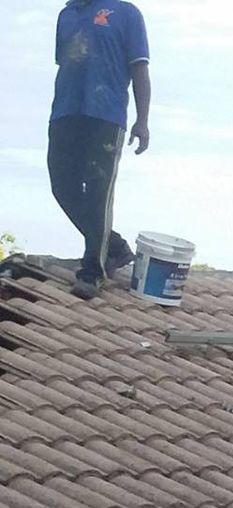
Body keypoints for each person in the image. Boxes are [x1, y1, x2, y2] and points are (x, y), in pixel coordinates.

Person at [49, 0, 151, 300]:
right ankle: (115, 247)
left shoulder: (126, 13)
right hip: (66, 112)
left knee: (97, 191)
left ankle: (92, 270)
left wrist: (142, 121)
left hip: (105, 115)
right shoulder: (66, 15)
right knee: (62, 187)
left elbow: (139, 69)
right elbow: (67, 63)